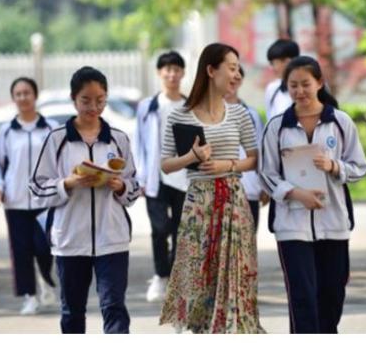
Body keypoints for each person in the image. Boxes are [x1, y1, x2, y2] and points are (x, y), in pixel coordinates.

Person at [158, 43, 264, 333]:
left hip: (232, 200)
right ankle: (199, 330)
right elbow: (166, 165)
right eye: (230, 67)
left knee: (235, 272)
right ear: (210, 70)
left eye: (237, 68)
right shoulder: (179, 115)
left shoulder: (240, 114)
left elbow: (254, 160)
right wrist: (192, 158)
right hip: (198, 203)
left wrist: (226, 165)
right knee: (198, 270)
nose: (235, 74)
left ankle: (232, 329)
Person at [259, 56, 366, 333]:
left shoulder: (340, 122)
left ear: (319, 83)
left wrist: (334, 166)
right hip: (291, 226)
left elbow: (360, 167)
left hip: (333, 222)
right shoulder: (277, 127)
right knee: (302, 297)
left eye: (305, 84)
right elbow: (266, 174)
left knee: (332, 293)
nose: (299, 91)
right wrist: (295, 193)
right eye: (293, 85)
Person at [29, 66, 140, 334]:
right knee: (72, 312)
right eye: (86, 100)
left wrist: (119, 185)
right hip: (69, 240)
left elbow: (134, 188)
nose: (93, 107)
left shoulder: (119, 138)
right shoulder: (57, 140)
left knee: (114, 306)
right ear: (73, 99)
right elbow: (36, 187)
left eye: (100, 100)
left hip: (112, 239)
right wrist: (67, 183)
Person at [0, 77, 59, 315]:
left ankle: (46, 279)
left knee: (44, 247)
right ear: (13, 98)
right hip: (15, 200)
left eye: (26, 93)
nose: (22, 98)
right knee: (21, 251)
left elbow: (59, 162)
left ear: (35, 95)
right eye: (18, 94)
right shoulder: (7, 131)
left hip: (45, 201)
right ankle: (29, 296)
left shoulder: (50, 128)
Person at [132, 51, 189, 302]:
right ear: (159, 73)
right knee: (159, 228)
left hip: (183, 177)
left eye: (176, 69)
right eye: (167, 69)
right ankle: (160, 275)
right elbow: (139, 142)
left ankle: (175, 279)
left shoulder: (191, 105)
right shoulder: (148, 106)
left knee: (180, 230)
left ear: (183, 73)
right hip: (155, 177)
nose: (172, 74)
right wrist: (139, 176)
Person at [224, 65, 270, 231]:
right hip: (218, 192)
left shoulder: (252, 114)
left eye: (236, 78)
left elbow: (261, 151)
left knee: (247, 246)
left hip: (248, 189)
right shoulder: (207, 113)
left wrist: (265, 185)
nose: (232, 82)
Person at [264, 39, 300, 121]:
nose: (272, 68)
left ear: (287, 61)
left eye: (273, 63)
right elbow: (270, 120)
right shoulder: (272, 88)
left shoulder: (313, 85)